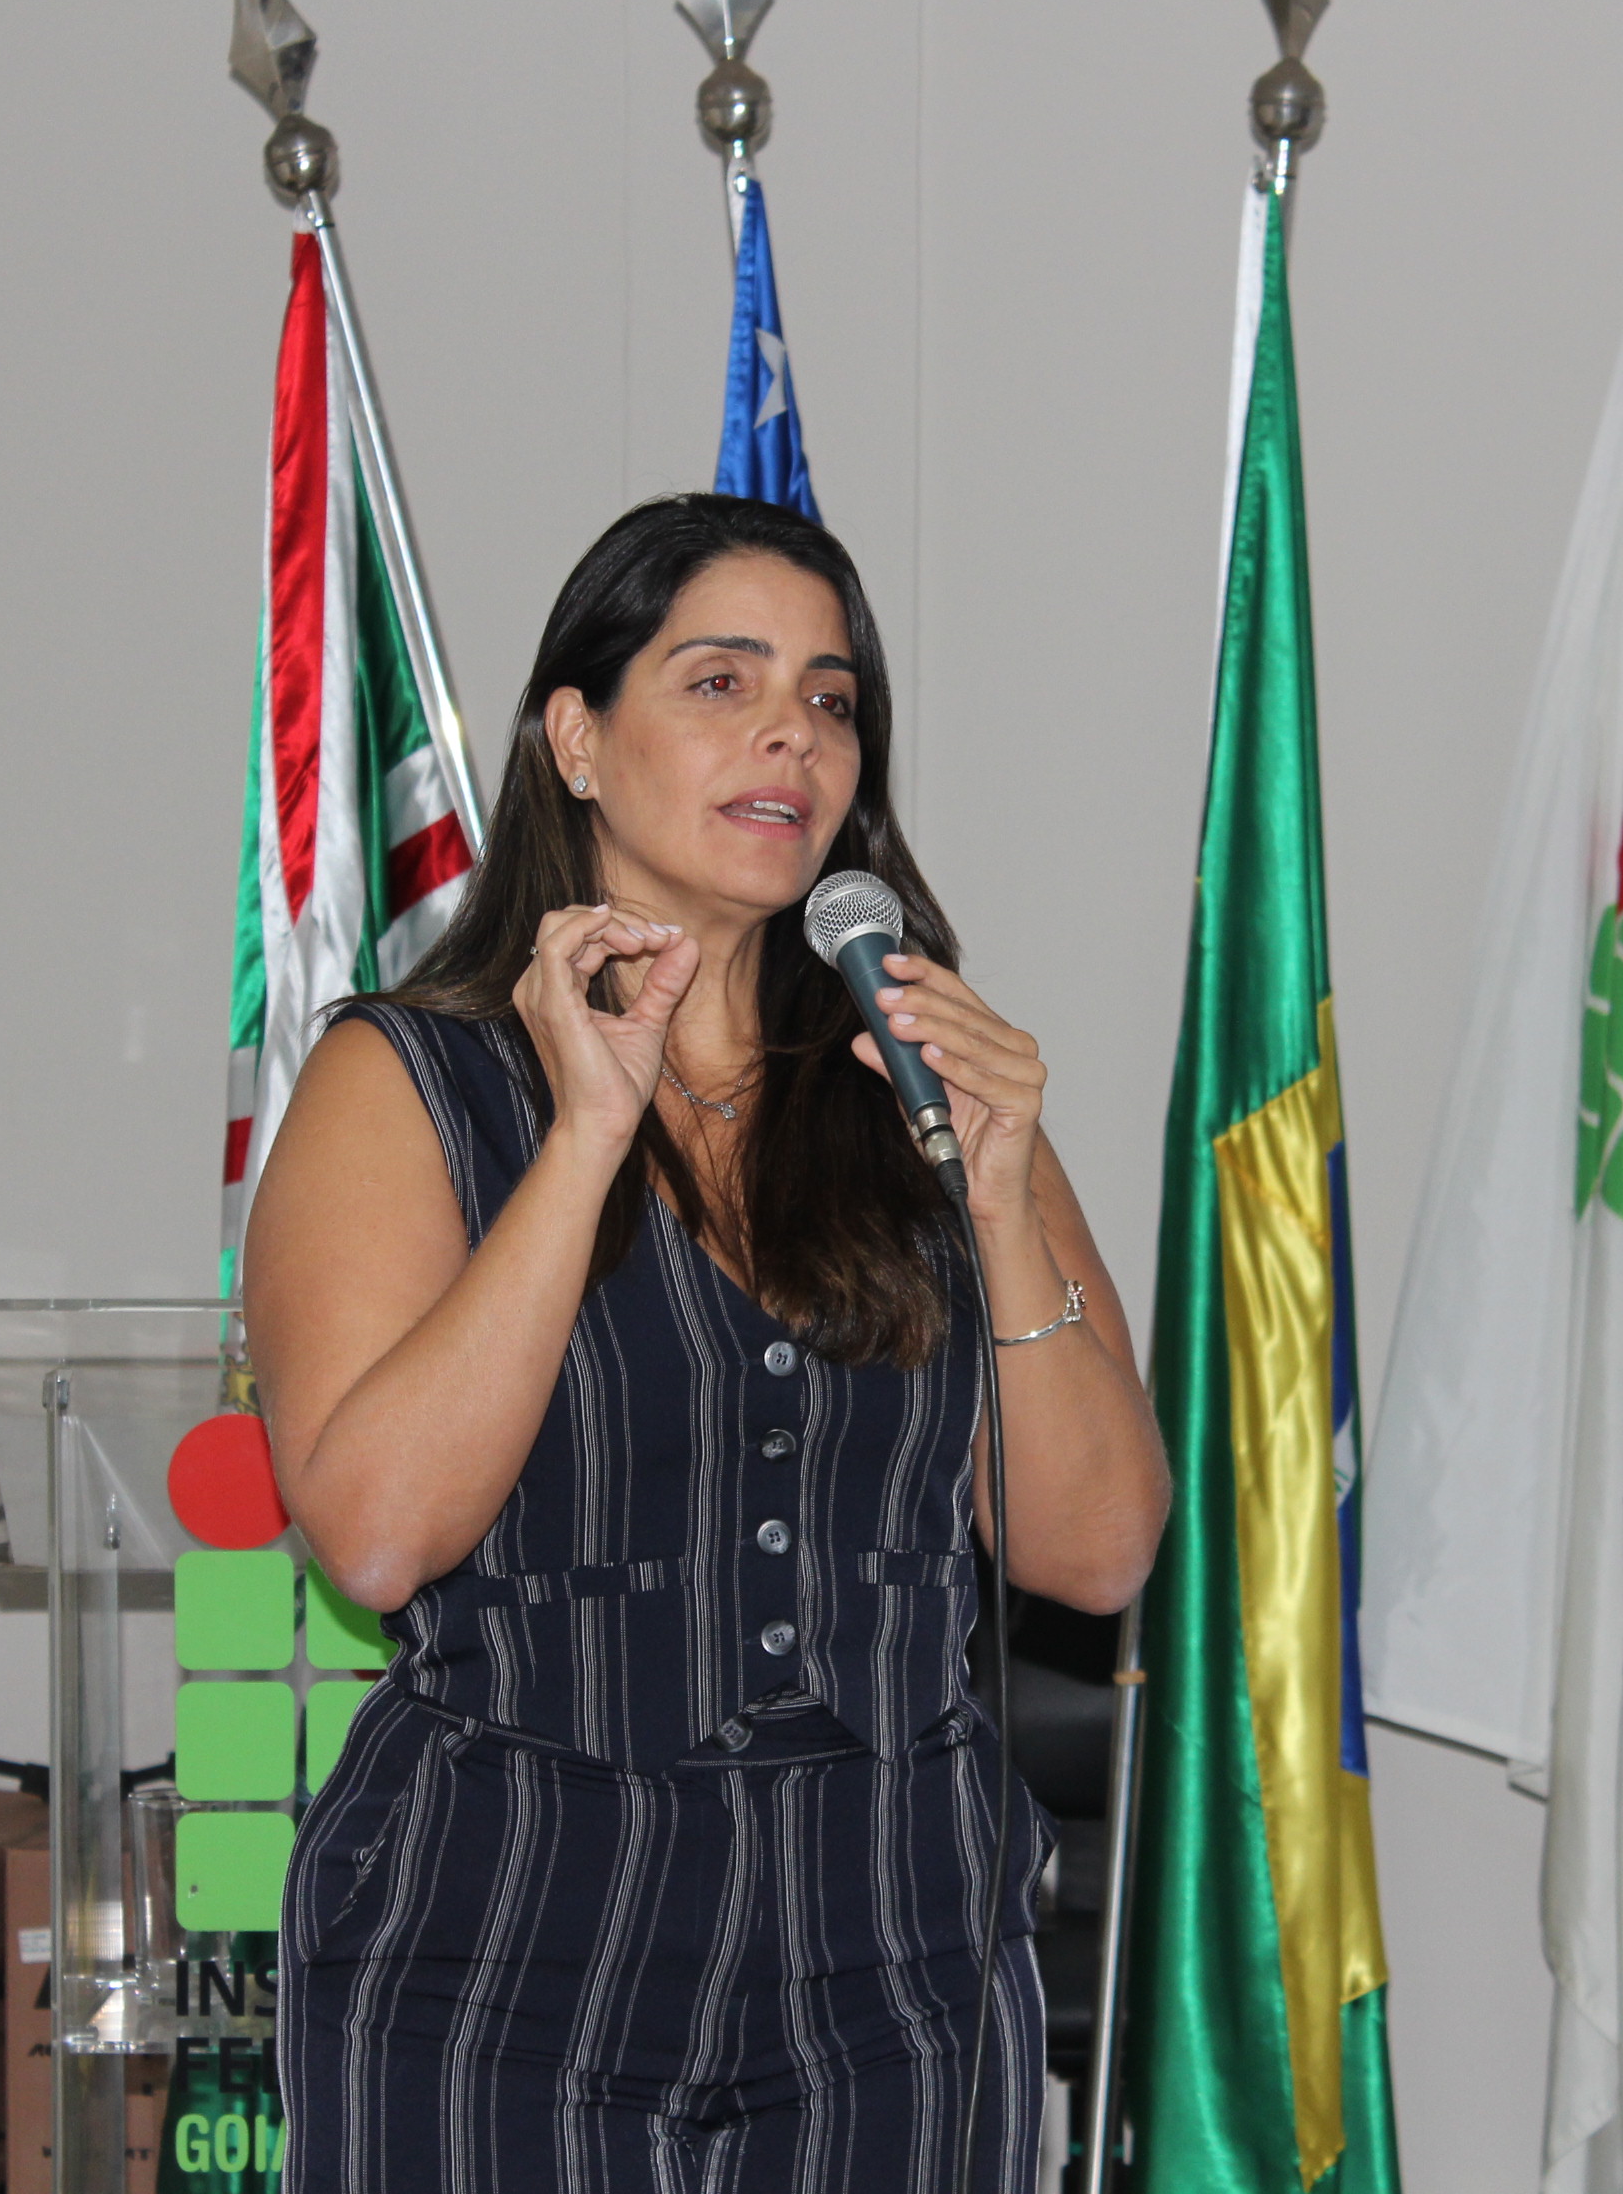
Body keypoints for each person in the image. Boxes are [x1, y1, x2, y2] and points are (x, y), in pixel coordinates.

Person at [240, 493, 1168, 2192]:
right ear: (578, 741)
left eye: (831, 698)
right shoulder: (409, 1082)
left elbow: (1098, 1547)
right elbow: (372, 1532)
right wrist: (586, 1136)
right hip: (502, 1949)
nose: (791, 734)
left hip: (898, 1964)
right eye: (722, 682)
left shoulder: (928, 1084)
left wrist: (1002, 1195)